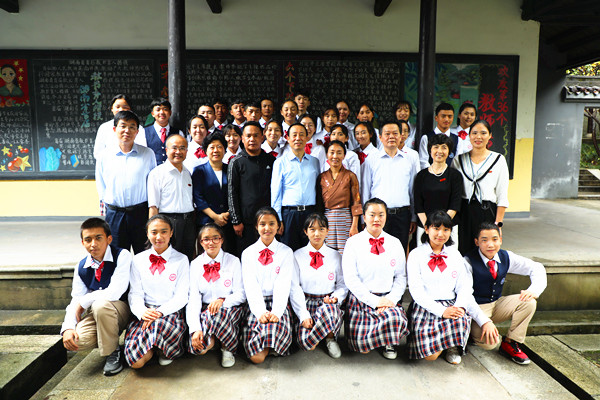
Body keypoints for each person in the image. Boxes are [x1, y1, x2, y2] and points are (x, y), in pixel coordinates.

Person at [406, 210, 490, 364]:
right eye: (436, 228)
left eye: (446, 229)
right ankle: (443, 343)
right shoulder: (416, 255)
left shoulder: (454, 254)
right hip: (426, 306)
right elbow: (416, 291)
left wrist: (457, 307)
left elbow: (464, 286)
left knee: (459, 317)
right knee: (431, 356)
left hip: (451, 304)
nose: (441, 234)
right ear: (427, 229)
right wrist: (441, 311)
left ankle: (452, 346)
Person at [465, 222, 547, 365]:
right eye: (484, 240)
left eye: (494, 239)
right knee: (490, 343)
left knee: (529, 302)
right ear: (477, 242)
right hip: (476, 308)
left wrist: (533, 290)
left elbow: (537, 267)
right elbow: (465, 296)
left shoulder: (506, 256)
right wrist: (485, 322)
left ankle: (510, 342)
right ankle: (471, 334)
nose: (490, 244)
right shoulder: (468, 261)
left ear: (500, 240)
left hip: (497, 303)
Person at [61, 218, 132, 376]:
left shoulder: (122, 255)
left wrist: (85, 301)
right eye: (88, 240)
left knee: (100, 305)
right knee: (76, 341)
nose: (93, 244)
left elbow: (115, 292)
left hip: (122, 310)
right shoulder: (81, 267)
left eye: (98, 238)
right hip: (100, 313)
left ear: (109, 239)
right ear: (83, 243)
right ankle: (112, 340)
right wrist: (68, 328)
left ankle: (112, 352)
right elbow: (75, 299)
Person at [342, 198, 409, 359]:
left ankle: (389, 341)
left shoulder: (395, 243)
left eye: (381, 215)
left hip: (387, 299)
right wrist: (374, 301)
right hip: (362, 299)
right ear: (364, 217)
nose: (376, 219)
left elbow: (401, 277)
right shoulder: (353, 243)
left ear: (386, 217)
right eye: (372, 215)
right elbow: (350, 278)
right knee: (361, 348)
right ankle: (373, 337)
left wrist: (390, 300)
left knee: (394, 317)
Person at [124, 215, 189, 368]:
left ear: (171, 233)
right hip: (146, 312)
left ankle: (162, 348)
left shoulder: (181, 260)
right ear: (147, 234)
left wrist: (160, 312)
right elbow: (135, 293)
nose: (159, 237)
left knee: (159, 326)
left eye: (164, 231)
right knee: (136, 362)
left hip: (170, 313)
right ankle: (155, 347)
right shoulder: (138, 260)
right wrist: (142, 312)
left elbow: (181, 296)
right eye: (154, 232)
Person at [95, 110, 156, 254]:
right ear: (114, 129)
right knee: (117, 256)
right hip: (115, 214)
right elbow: (101, 183)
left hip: (140, 213)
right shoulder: (104, 155)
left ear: (137, 131)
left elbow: (153, 184)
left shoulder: (148, 154)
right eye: (123, 126)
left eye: (132, 127)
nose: (127, 130)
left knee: (145, 254)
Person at [240, 207, 296, 363]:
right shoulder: (248, 253)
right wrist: (260, 312)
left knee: (273, 332)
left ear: (278, 226)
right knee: (256, 357)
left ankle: (272, 344)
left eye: (272, 224)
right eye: (262, 224)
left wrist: (276, 312)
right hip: (255, 303)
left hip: (279, 302)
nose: (267, 228)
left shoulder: (286, 252)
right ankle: (268, 346)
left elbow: (283, 283)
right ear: (256, 227)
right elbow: (250, 285)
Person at [187, 223, 246, 368]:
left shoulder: (233, 261)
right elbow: (193, 298)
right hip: (205, 310)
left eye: (215, 238)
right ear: (201, 242)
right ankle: (215, 339)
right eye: (206, 239)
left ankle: (227, 348)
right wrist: (195, 328)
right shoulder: (195, 264)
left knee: (220, 314)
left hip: (229, 308)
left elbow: (241, 294)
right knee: (200, 348)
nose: (211, 242)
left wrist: (222, 301)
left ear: (222, 240)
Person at [289, 213, 347, 359]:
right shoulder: (297, 255)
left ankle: (330, 338)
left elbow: (342, 284)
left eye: (321, 229)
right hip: (306, 302)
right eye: (312, 229)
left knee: (330, 310)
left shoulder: (336, 255)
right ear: (305, 231)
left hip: (327, 302)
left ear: (327, 231)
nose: (317, 234)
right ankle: (319, 333)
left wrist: (335, 298)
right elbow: (294, 287)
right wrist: (303, 314)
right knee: (307, 344)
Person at [452, 119, 509, 255]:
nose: (478, 137)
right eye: (474, 133)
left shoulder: (498, 160)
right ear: (469, 135)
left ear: (490, 135)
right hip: (464, 211)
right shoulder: (458, 160)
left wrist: (498, 223)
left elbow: (502, 195)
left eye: (483, 133)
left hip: (487, 210)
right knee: (464, 251)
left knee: (486, 250)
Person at [361, 121, 419, 251]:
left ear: (401, 136)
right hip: (377, 216)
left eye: (395, 133)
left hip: (402, 215)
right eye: (387, 134)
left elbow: (412, 190)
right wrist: (364, 218)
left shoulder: (409, 159)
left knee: (400, 251)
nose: (391, 137)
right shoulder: (371, 160)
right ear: (380, 137)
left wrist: (413, 217)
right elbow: (365, 190)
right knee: (377, 252)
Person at [228, 122, 276, 256]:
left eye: (256, 136)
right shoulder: (236, 162)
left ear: (262, 137)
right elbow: (232, 193)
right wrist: (236, 221)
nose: (252, 139)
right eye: (248, 136)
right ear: (242, 138)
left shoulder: (271, 160)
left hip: (268, 221)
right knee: (247, 256)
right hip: (246, 222)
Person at [271, 123, 321, 250]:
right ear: (287, 138)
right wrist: (278, 219)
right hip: (289, 215)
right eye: (294, 135)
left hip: (310, 213)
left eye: (301, 135)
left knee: (311, 251)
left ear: (307, 138)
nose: (298, 138)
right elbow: (276, 192)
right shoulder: (280, 162)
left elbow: (318, 189)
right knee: (289, 252)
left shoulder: (314, 162)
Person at [147, 134, 195, 261]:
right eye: (174, 148)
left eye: (182, 148)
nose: (178, 152)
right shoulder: (157, 174)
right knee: (169, 259)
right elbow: (153, 207)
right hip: (169, 222)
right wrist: (153, 231)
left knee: (187, 258)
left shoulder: (187, 173)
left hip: (189, 222)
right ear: (167, 150)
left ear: (187, 151)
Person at [413, 133, 463, 247]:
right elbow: (418, 205)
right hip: (425, 227)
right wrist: (429, 227)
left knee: (448, 256)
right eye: (436, 147)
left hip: (448, 228)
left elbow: (455, 205)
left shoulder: (455, 175)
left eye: (444, 147)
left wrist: (441, 227)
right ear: (430, 150)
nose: (439, 151)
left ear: (449, 152)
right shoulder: (421, 176)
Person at [192, 132, 235, 254]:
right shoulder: (199, 171)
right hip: (206, 221)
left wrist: (227, 214)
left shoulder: (231, 168)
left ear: (225, 150)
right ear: (206, 151)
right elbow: (198, 197)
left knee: (228, 255)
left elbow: (236, 193)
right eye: (212, 147)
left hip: (228, 221)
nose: (216, 150)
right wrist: (216, 217)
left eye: (219, 147)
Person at [317, 140, 362, 254]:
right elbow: (319, 204)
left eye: (339, 152)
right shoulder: (322, 177)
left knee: (346, 252)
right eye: (332, 152)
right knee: (328, 253)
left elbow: (356, 202)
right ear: (327, 154)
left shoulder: (350, 176)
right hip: (327, 218)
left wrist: (354, 225)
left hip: (346, 218)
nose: (335, 156)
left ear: (344, 155)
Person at [93, 94, 146, 160]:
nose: (121, 110)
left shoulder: (138, 128)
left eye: (125, 107)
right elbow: (98, 153)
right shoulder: (104, 128)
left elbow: (142, 149)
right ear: (112, 108)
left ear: (130, 109)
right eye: (117, 107)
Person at [144, 97, 184, 166]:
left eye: (165, 109)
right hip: (151, 171)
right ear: (152, 114)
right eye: (158, 110)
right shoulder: (144, 133)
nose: (162, 112)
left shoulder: (179, 133)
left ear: (170, 113)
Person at [418, 102, 458, 169]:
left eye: (450, 116)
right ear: (436, 118)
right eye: (443, 116)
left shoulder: (458, 139)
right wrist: (434, 173)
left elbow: (457, 162)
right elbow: (423, 161)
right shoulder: (426, 138)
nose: (447, 119)